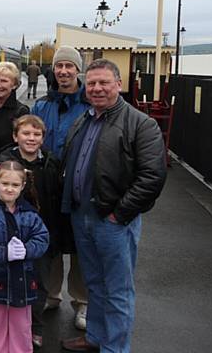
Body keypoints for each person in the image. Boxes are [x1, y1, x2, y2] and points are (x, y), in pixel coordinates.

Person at [60, 59, 166, 353]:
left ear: (119, 85)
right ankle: (95, 336)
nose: (96, 88)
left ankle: (115, 348)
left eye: (104, 82)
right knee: (94, 283)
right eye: (91, 83)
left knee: (118, 291)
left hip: (114, 221)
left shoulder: (140, 124)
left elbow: (153, 177)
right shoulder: (85, 119)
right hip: (83, 216)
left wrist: (119, 214)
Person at [31, 45, 89, 330]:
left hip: (79, 189)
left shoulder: (90, 104)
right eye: (59, 66)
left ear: (78, 70)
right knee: (49, 244)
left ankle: (81, 302)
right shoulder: (43, 105)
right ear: (53, 70)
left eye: (69, 66)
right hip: (48, 189)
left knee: (80, 248)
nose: (64, 71)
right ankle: (51, 295)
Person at [0, 160, 49, 353]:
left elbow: (42, 238)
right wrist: (4, 252)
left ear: (23, 186)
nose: (10, 189)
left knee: (21, 326)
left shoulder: (30, 215)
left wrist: (28, 250)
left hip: (22, 281)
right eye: (5, 184)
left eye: (15, 185)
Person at [0, 115, 62, 349]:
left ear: (43, 138)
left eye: (37, 134)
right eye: (26, 133)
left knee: (39, 284)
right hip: (11, 236)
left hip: (41, 237)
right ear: (16, 136)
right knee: (9, 283)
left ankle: (35, 326)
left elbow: (56, 201)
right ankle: (9, 327)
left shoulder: (51, 163)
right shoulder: (4, 163)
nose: (31, 138)